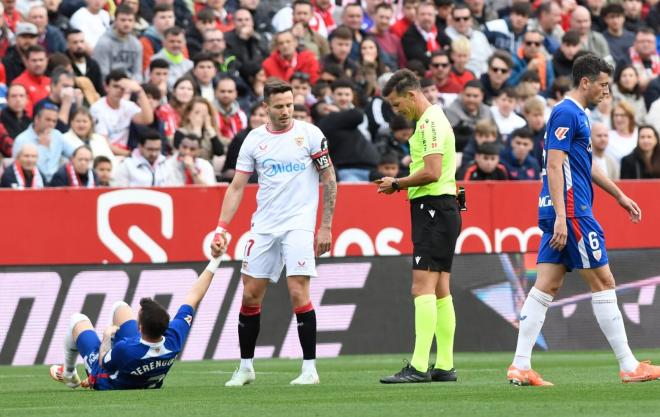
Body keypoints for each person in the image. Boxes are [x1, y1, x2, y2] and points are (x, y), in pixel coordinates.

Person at [507, 54, 660, 387]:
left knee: (546, 284)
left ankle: (520, 365)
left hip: (561, 209)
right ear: (586, 82)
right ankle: (629, 365)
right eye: (603, 85)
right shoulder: (566, 112)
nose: (607, 91)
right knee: (604, 282)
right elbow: (556, 163)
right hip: (572, 210)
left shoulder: (578, 115)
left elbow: (583, 164)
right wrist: (563, 216)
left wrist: (618, 195)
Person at [210, 79, 337, 386]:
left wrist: (325, 225)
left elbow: (329, 179)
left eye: (290, 105)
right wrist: (221, 228)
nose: (285, 111)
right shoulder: (253, 140)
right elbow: (237, 186)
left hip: (299, 223)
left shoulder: (310, 134)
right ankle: (245, 368)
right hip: (264, 226)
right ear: (265, 107)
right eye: (279, 106)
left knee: (298, 292)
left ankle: (309, 369)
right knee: (251, 296)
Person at [377, 69, 461, 384]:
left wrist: (396, 183)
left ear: (412, 95)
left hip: (433, 209)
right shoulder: (435, 120)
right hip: (442, 209)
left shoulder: (429, 122)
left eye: (399, 105)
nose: (398, 112)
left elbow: (432, 171)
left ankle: (419, 366)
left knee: (421, 288)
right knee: (440, 289)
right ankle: (445, 365)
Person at [48, 254, 225, 390]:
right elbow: (194, 296)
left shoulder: (126, 348)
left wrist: (107, 338)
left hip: (107, 379)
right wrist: (216, 260)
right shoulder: (174, 337)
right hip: (149, 379)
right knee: (121, 308)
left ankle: (70, 374)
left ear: (140, 328)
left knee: (77, 320)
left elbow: (104, 362)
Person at [90, 70, 154, 156]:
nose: (119, 90)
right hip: (105, 154)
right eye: (115, 86)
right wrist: (130, 154)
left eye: (122, 88)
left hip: (124, 152)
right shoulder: (97, 109)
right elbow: (103, 143)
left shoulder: (127, 105)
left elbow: (148, 119)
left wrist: (140, 91)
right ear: (106, 87)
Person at [12, 103, 74, 181]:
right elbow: (17, 169)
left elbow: (74, 154)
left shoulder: (57, 135)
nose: (51, 124)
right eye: (48, 120)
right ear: (37, 119)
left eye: (54, 121)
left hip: (56, 182)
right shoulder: (21, 140)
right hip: (32, 182)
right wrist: (43, 147)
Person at [92, 3, 143, 83]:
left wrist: (134, 82)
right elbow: (103, 74)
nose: (127, 24)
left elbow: (138, 73)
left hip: (130, 86)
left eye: (130, 20)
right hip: (110, 85)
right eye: (123, 20)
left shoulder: (136, 44)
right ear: (115, 21)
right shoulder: (104, 43)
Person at [12, 45, 50, 117]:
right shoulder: (18, 84)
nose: (38, 64)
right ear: (26, 61)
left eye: (41, 60)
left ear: (47, 61)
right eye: (34, 60)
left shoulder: (50, 82)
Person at [66, 29, 105, 96]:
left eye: (82, 41)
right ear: (68, 44)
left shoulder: (93, 64)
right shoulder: (65, 64)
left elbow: (100, 89)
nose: (79, 45)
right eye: (75, 42)